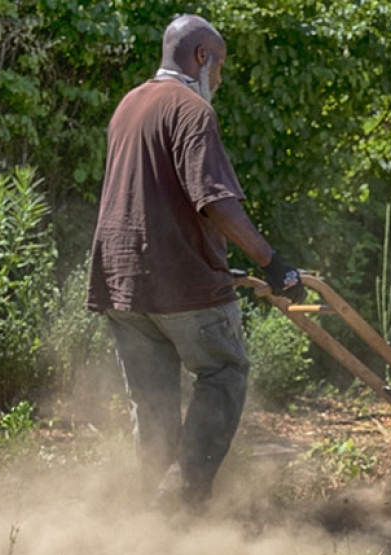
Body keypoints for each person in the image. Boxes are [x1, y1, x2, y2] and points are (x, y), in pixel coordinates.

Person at [86, 14, 305, 512]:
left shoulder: (128, 105)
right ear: (202, 57)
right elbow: (214, 200)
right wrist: (273, 263)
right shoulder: (191, 110)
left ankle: (150, 516)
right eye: (221, 66)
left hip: (120, 283)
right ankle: (182, 501)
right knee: (223, 371)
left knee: (153, 403)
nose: (221, 79)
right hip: (181, 282)